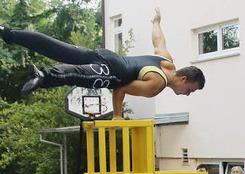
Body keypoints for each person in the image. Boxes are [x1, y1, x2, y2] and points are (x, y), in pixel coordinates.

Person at [1, 8, 204, 119]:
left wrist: (156, 22)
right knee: (78, 74)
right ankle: (44, 76)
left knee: (57, 48)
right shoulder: (157, 84)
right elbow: (121, 87)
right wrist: (117, 115)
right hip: (114, 71)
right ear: (183, 78)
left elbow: (158, 40)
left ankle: (9, 34)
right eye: (190, 89)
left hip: (108, 56)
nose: (187, 94)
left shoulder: (167, 61)